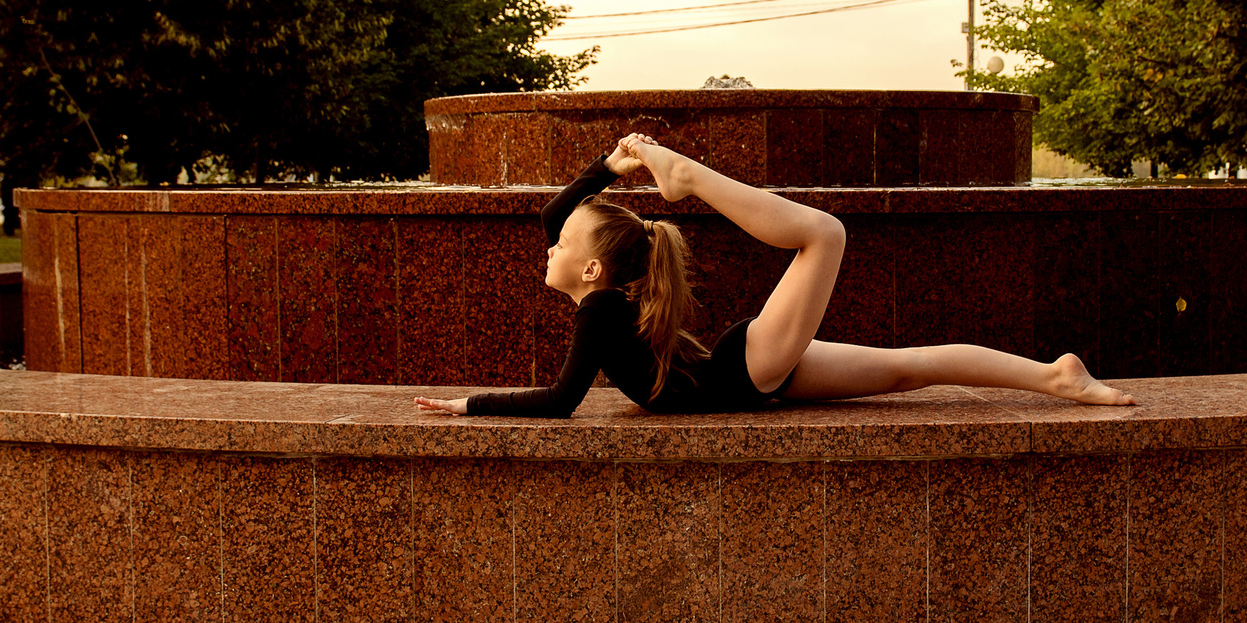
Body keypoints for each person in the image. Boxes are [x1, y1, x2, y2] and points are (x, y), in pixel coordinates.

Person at [413, 133, 1133, 418]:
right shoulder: (603, 293)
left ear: (592, 265)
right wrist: (602, 171)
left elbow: (560, 400)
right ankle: (1054, 375)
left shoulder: (598, 309)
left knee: (824, 233)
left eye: (561, 244)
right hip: (752, 370)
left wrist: (468, 406)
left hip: (744, 369)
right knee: (907, 369)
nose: (546, 244)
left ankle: (692, 177)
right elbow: (554, 220)